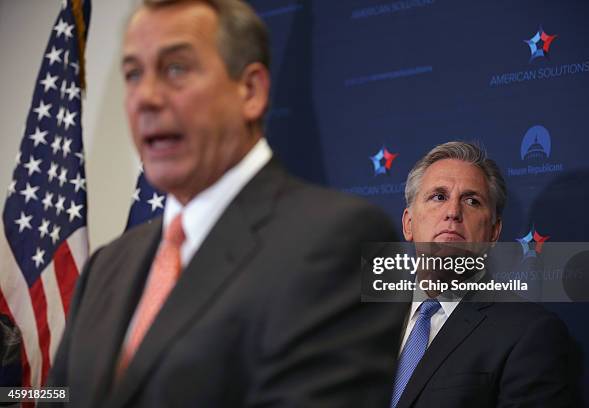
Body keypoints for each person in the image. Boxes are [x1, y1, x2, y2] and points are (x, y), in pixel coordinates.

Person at [46, 1, 403, 406]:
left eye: (176, 69)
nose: (146, 97)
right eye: (133, 74)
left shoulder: (339, 243)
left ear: (250, 91)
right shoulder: (106, 266)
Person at [390, 141, 576, 408]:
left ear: (493, 233)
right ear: (408, 223)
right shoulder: (365, 319)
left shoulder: (529, 333)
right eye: (438, 197)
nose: (453, 212)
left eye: (472, 200)